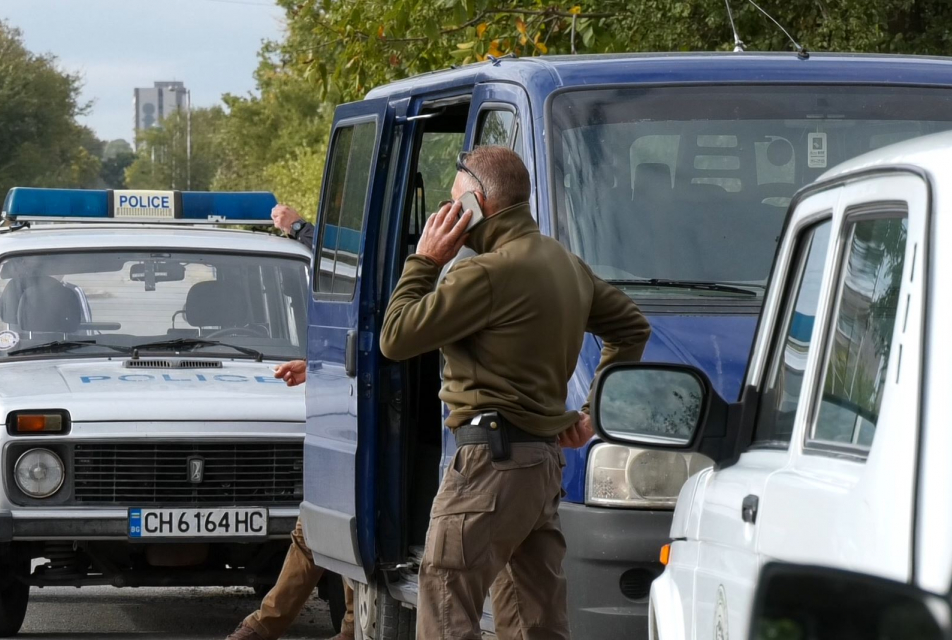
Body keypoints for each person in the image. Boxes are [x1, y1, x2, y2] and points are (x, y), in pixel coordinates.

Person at [379, 146, 651, 640]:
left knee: (446, 598)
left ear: (477, 205)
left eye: (455, 200)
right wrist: (592, 411)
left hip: (489, 464)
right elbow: (632, 327)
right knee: (535, 619)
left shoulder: (483, 273)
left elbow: (395, 337)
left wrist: (424, 260)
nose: (447, 211)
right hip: (541, 467)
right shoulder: (564, 263)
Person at [226, 205, 354, 640]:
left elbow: (349, 259)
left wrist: (300, 228)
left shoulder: (420, 265)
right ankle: (267, 628)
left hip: (370, 411)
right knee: (324, 520)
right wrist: (316, 364)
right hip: (351, 400)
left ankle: (266, 629)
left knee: (338, 519)